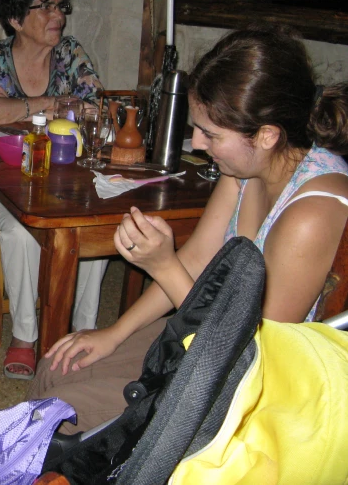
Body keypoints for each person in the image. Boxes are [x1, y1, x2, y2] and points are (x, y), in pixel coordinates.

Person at [27, 25, 348, 433]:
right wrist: (112, 333)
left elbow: (253, 357)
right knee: (58, 367)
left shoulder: (314, 210)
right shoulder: (246, 168)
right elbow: (196, 261)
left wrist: (161, 266)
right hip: (208, 335)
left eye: (211, 134)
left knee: (64, 414)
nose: (196, 143)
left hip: (251, 388)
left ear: (267, 135)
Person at [0, 0, 109, 380]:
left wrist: (54, 110)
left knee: (93, 218)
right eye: (45, 7)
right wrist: (51, 104)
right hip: (9, 179)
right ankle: (26, 337)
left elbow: (98, 111)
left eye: (61, 8)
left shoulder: (71, 53)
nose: (57, 17)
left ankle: (84, 330)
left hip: (66, 177)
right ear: (15, 18)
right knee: (17, 231)